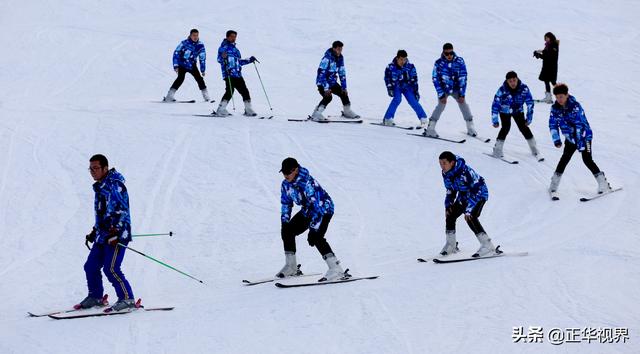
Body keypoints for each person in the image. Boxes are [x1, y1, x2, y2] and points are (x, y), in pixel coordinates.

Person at [80, 154, 135, 312]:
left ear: (105, 168)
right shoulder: (101, 186)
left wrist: (115, 231)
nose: (92, 172)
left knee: (111, 268)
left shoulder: (114, 185)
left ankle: (127, 299)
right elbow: (104, 213)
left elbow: (121, 211)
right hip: (103, 235)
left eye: (96, 168)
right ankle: (96, 296)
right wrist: (95, 230)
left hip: (116, 235)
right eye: (90, 169)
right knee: (90, 266)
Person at [278, 158, 348, 281]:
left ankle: (336, 270)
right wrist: (285, 221)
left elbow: (318, 206)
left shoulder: (308, 183)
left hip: (323, 209)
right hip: (308, 210)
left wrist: (314, 228)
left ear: (296, 170)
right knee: (287, 231)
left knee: (316, 237)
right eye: (284, 172)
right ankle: (291, 267)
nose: (285, 175)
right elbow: (286, 203)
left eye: (288, 172)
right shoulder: (286, 184)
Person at [548, 84, 612, 195]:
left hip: (584, 136)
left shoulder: (575, 107)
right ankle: (554, 183)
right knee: (564, 159)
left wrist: (581, 144)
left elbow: (580, 125)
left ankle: (603, 183)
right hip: (570, 139)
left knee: (587, 159)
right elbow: (553, 124)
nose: (559, 99)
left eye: (561, 97)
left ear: (567, 95)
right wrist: (556, 139)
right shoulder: (555, 109)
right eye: (557, 97)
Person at [438, 151, 498, 258]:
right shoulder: (446, 173)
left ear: (452, 163)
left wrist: (469, 209)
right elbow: (450, 190)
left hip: (479, 194)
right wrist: (448, 204)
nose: (442, 166)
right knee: (450, 215)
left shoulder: (465, 172)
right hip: (464, 195)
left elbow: (476, 190)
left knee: (471, 217)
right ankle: (451, 245)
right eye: (440, 163)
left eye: (444, 163)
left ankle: (488, 246)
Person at [425, 43, 477, 138]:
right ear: (443, 53)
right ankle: (430, 128)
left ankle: (470, 126)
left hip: (456, 88)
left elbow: (463, 77)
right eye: (447, 53)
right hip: (444, 89)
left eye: (451, 53)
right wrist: (441, 95)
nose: (449, 55)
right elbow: (435, 79)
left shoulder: (459, 61)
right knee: (441, 105)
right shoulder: (438, 63)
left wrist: (462, 94)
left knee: (463, 104)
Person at [491, 71, 539, 158]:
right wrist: (495, 120)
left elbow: (530, 103)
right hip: (504, 111)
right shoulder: (502, 90)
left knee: (524, 127)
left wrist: (529, 118)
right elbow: (495, 104)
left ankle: (534, 148)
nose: (513, 83)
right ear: (507, 81)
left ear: (517, 79)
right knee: (505, 128)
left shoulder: (524, 89)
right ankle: (497, 149)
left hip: (518, 110)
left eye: (514, 80)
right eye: (510, 81)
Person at [310, 41, 360, 121]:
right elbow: (321, 74)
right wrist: (326, 88)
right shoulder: (326, 59)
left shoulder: (340, 58)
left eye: (341, 49)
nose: (340, 51)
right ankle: (317, 113)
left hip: (332, 82)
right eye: (338, 49)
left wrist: (344, 87)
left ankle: (347, 111)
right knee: (328, 97)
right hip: (322, 83)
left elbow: (342, 72)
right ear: (334, 48)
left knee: (343, 93)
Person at [213, 30, 258, 116]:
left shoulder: (236, 50)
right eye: (232, 36)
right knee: (230, 91)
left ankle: (248, 109)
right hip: (228, 73)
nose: (234, 38)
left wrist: (249, 60)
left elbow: (239, 62)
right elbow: (219, 60)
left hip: (237, 74)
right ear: (227, 37)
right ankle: (221, 109)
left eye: (235, 37)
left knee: (245, 91)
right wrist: (223, 57)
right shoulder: (223, 48)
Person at [382, 50, 428, 127]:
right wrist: (389, 88)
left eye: (405, 59)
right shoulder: (390, 67)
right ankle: (388, 118)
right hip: (396, 86)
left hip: (407, 86)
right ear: (397, 58)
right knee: (397, 99)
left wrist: (416, 91)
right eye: (401, 59)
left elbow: (414, 79)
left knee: (413, 101)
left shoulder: (410, 67)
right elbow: (387, 78)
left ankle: (423, 119)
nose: (403, 61)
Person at [163, 29, 209, 102]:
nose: (195, 37)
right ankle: (169, 96)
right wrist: (176, 65)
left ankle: (206, 96)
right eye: (194, 35)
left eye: (197, 35)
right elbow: (176, 53)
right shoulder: (184, 43)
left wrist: (202, 69)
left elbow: (202, 58)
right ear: (190, 35)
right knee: (180, 79)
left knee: (199, 79)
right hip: (182, 64)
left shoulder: (200, 45)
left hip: (192, 65)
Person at [533, 32, 559, 103]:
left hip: (551, 67)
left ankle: (562, 94)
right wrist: (538, 54)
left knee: (552, 82)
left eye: (547, 38)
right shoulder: (549, 45)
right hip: (547, 67)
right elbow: (546, 56)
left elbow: (549, 56)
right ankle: (548, 97)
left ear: (550, 37)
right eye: (545, 38)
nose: (546, 39)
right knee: (547, 81)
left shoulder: (554, 45)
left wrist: (540, 54)